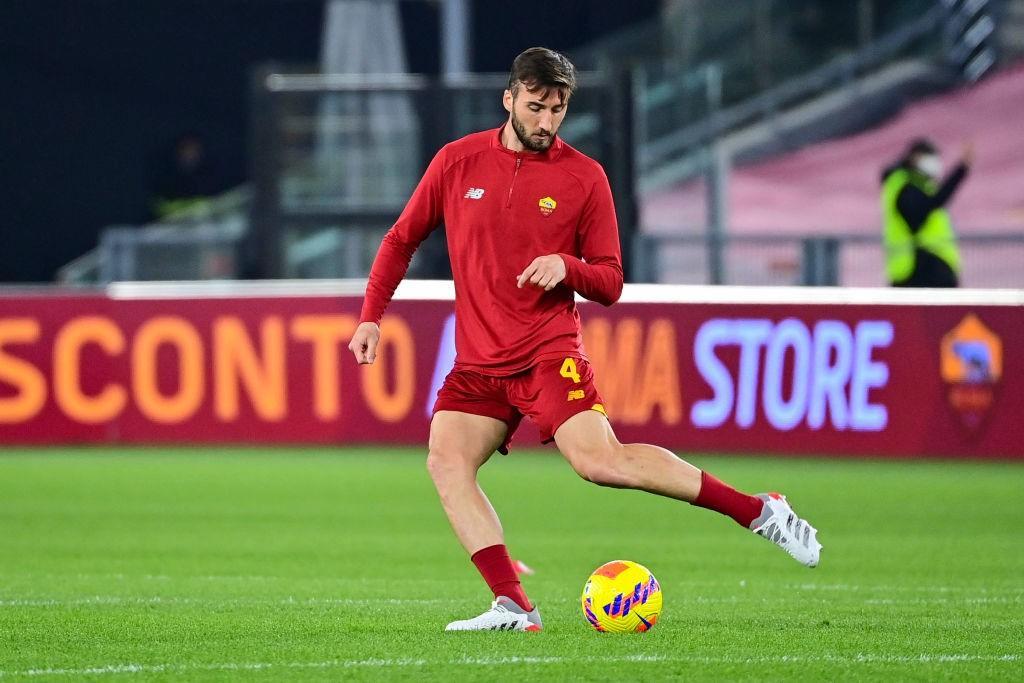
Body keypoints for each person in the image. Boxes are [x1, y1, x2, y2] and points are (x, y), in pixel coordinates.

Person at [348, 47, 822, 633]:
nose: (547, 121)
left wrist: (567, 267)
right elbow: (400, 240)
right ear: (509, 99)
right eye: (536, 106)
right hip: (479, 360)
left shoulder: (584, 177)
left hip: (547, 353)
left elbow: (612, 281)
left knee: (600, 463)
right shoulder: (456, 162)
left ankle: (759, 511)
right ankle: (515, 607)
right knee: (446, 462)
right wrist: (372, 316)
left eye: (559, 108)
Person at [881, 138, 972, 287]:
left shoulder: (920, 185)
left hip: (922, 267)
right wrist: (960, 170)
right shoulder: (906, 186)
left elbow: (933, 203)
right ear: (915, 157)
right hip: (919, 268)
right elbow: (923, 210)